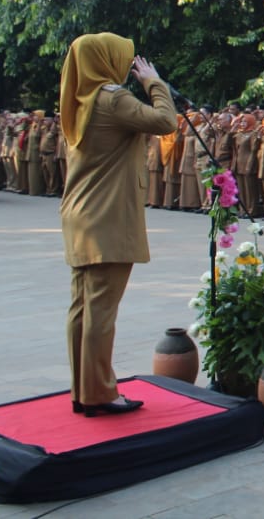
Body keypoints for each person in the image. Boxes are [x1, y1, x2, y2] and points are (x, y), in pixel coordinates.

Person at [59, 33, 176, 415]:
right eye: (122, 58)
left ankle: (84, 390)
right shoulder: (112, 99)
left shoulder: (80, 100)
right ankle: (100, 394)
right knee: (101, 311)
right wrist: (153, 83)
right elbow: (165, 121)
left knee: (82, 308)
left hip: (82, 216)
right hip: (106, 218)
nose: (128, 65)